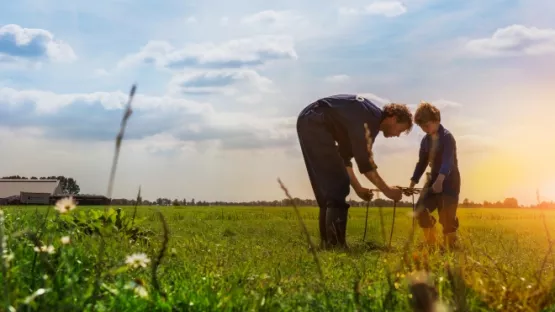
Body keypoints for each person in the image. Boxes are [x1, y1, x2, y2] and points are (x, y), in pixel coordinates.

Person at [296, 94, 413, 250]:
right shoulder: (369, 120)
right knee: (337, 185)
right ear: (393, 118)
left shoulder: (368, 119)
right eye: (401, 129)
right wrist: (388, 191)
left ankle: (327, 244)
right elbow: (365, 164)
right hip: (315, 121)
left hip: (310, 120)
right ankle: (335, 245)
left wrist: (358, 188)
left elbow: (344, 158)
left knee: (331, 187)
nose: (397, 135)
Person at [409, 101, 460, 249]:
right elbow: (422, 163)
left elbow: (447, 161)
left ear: (437, 120)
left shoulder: (447, 138)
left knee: (447, 218)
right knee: (420, 210)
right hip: (432, 180)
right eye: (421, 127)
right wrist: (413, 181)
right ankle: (431, 242)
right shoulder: (425, 141)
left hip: (449, 180)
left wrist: (440, 180)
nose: (424, 129)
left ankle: (451, 245)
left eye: (426, 125)